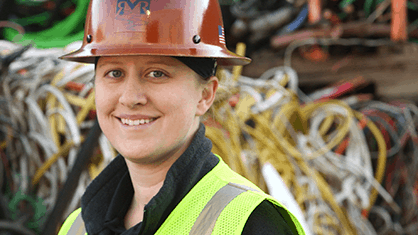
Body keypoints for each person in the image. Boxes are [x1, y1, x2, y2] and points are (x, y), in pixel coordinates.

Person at [57, 0, 305, 234]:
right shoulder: (76, 227)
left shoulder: (251, 222)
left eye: (157, 73)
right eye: (114, 73)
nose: (130, 97)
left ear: (205, 96)